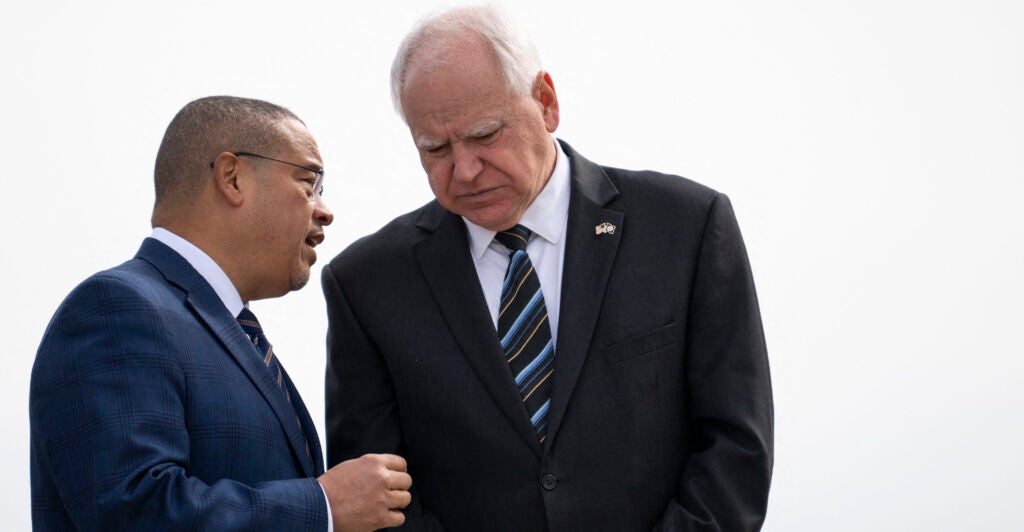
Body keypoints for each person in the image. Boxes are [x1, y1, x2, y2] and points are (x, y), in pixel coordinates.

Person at [322, 6, 773, 531]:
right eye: (436, 148)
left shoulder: (686, 227)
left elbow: (735, 448)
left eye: (486, 134)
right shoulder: (367, 283)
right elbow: (378, 498)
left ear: (546, 103)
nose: (464, 170)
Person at [29, 96, 412, 531]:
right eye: (309, 183)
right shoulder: (116, 309)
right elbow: (135, 512)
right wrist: (323, 507)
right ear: (231, 178)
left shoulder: (227, 332)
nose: (325, 210)